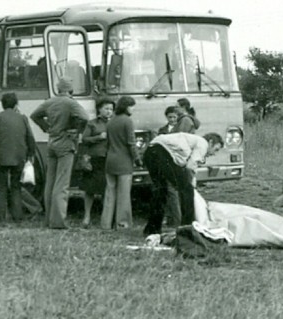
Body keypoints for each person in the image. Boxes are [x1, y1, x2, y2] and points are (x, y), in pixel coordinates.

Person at [30, 77, 89, 229]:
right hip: (66, 143)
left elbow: (34, 115)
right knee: (62, 184)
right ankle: (58, 221)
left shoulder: (50, 101)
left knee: (50, 183)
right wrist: (77, 131)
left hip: (52, 142)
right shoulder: (71, 103)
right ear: (71, 90)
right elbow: (85, 117)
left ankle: (48, 219)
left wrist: (46, 127)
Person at [142, 132, 224, 235]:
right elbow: (190, 166)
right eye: (215, 149)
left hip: (150, 153)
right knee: (187, 191)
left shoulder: (192, 141)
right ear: (211, 142)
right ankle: (187, 228)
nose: (213, 153)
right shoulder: (203, 143)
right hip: (161, 153)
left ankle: (152, 229)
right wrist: (191, 184)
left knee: (161, 191)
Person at [0, 92, 37, 223]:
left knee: (1, 188)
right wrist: (31, 154)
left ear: (2, 104)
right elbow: (30, 138)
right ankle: (18, 218)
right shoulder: (23, 118)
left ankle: (2, 218)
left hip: (2, 157)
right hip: (19, 157)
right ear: (16, 104)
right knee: (16, 187)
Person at [101, 96, 139, 230]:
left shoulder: (111, 121)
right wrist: (137, 159)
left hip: (110, 160)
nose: (133, 109)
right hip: (124, 161)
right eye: (132, 106)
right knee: (124, 195)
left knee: (110, 193)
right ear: (127, 107)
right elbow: (131, 143)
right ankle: (122, 224)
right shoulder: (127, 121)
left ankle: (106, 223)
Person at [79, 98, 114, 227]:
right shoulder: (92, 123)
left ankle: (105, 218)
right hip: (95, 159)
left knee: (107, 189)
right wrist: (98, 137)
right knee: (90, 189)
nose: (109, 112)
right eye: (106, 109)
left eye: (111, 109)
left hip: (109, 158)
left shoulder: (114, 123)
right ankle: (87, 216)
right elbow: (84, 139)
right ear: (99, 109)